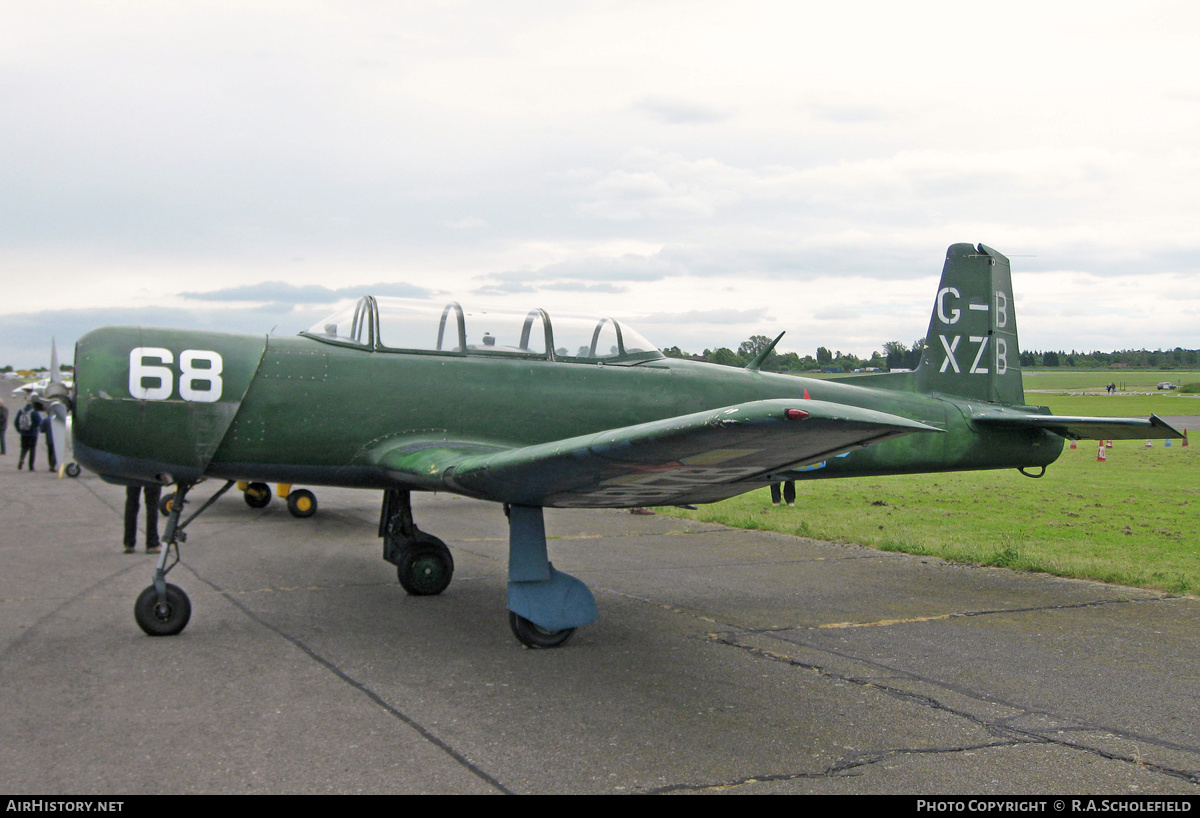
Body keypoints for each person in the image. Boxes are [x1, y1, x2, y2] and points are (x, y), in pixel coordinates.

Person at [124, 484, 163, 554]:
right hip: (151, 474)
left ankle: (129, 542)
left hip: (134, 473)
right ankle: (152, 543)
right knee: (152, 504)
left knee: (131, 501)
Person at [15, 402, 41, 471]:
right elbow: (39, 422)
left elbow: (16, 422)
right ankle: (31, 466)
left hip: (24, 433)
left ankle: (21, 460)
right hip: (33, 434)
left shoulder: (21, 411)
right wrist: (36, 428)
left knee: (24, 448)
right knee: (32, 450)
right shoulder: (34, 412)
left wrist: (19, 430)